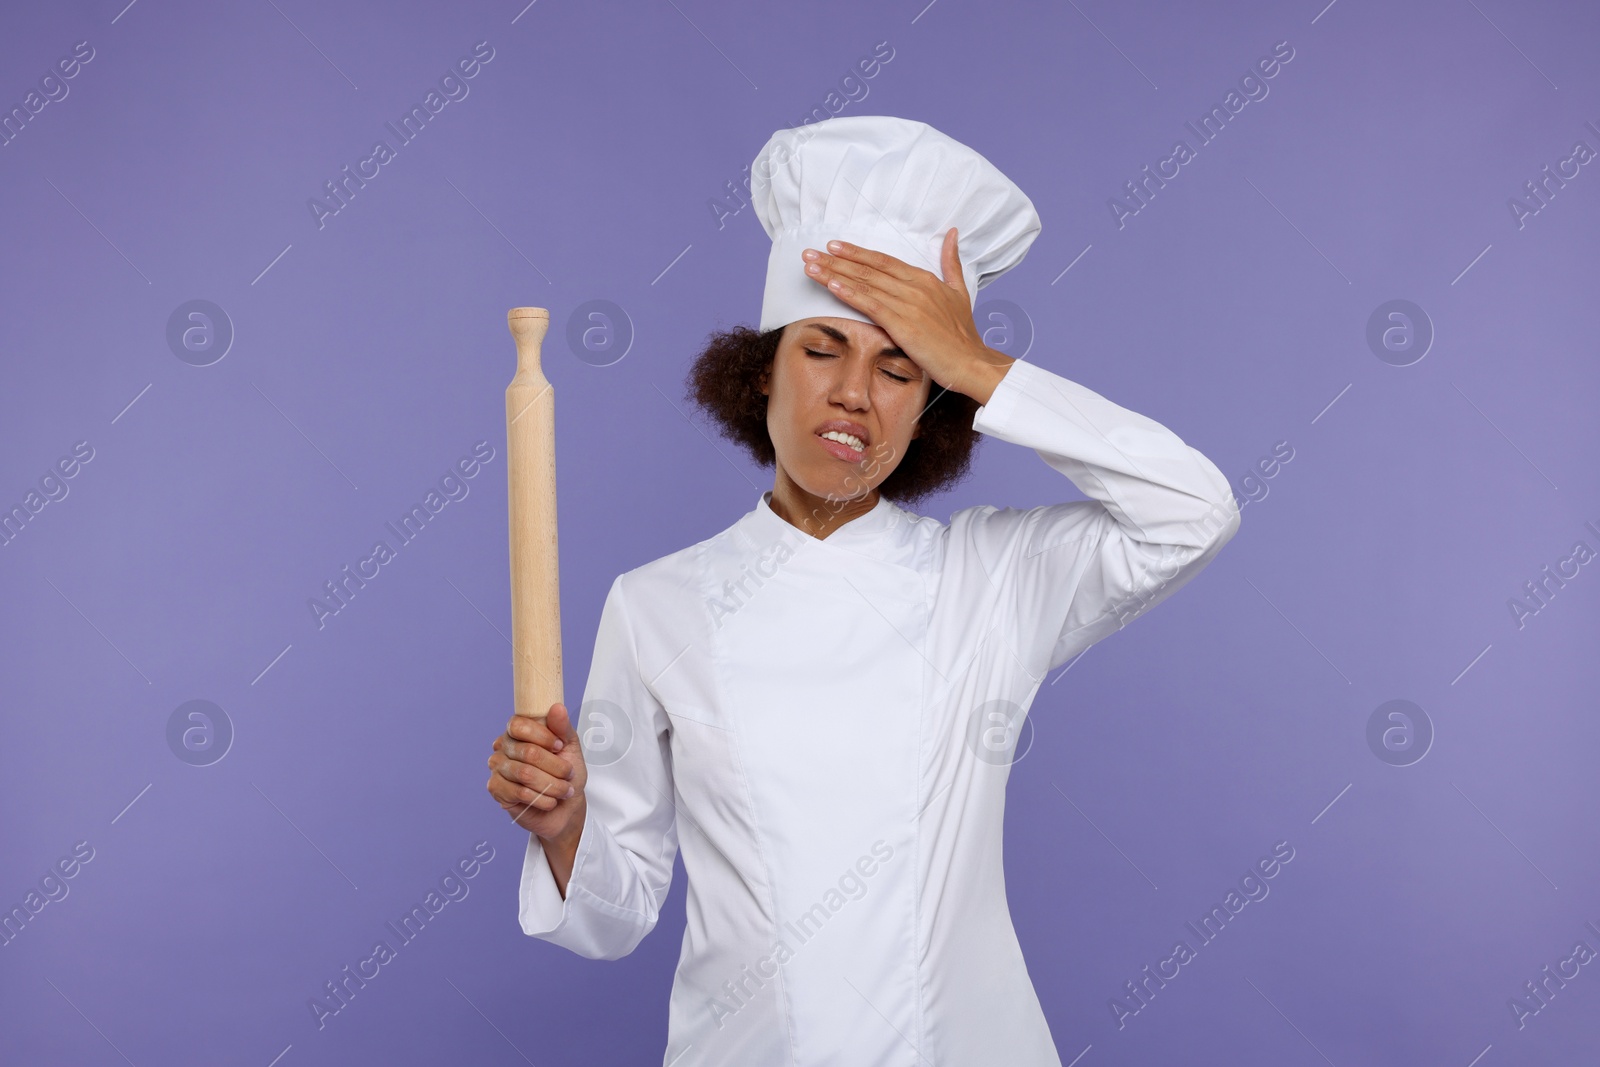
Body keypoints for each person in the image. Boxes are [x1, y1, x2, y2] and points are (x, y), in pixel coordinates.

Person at [486, 115, 1241, 1066]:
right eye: (821, 348)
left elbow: (1194, 510)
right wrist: (564, 827)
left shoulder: (992, 580)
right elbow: (614, 908)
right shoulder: (657, 604)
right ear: (760, 374)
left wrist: (979, 364)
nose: (855, 392)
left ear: (930, 412)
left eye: (899, 368)